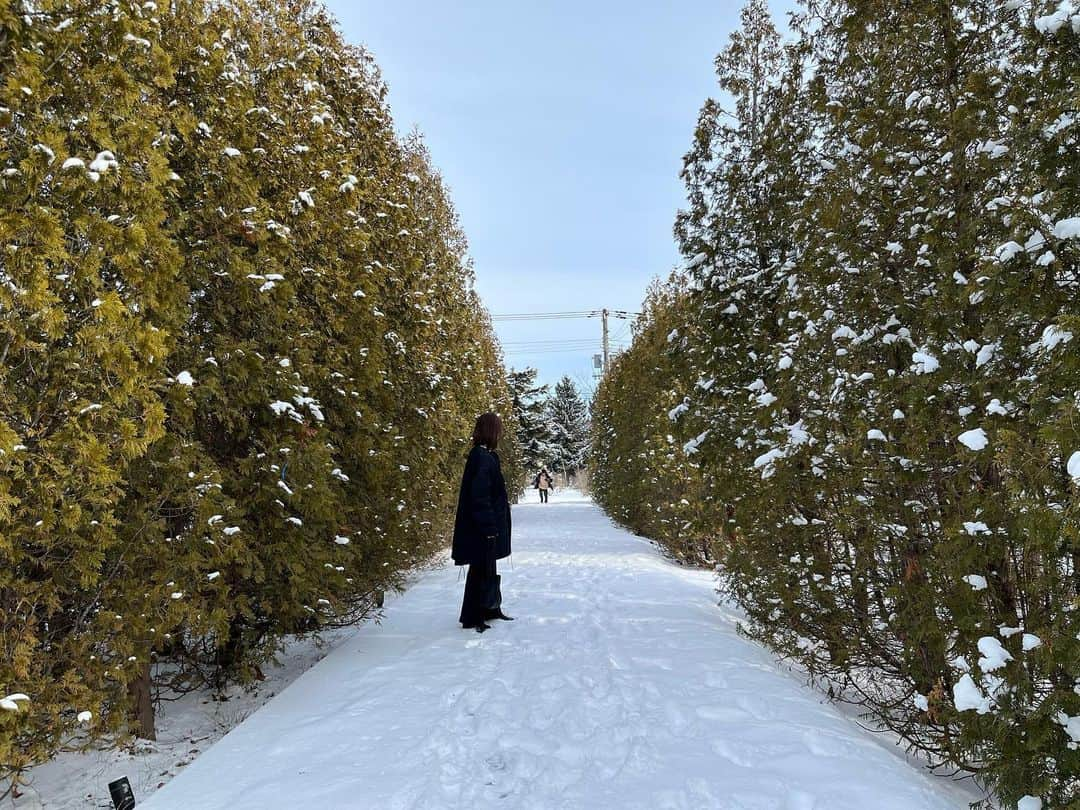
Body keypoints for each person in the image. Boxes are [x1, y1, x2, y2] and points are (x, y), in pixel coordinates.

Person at [452, 413, 514, 632]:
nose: (501, 432)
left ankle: (490, 608)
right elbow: (479, 496)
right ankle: (472, 616)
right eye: (498, 428)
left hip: (487, 525)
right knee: (479, 568)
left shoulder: (487, 456)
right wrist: (488, 527)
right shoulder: (480, 457)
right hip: (480, 527)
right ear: (491, 430)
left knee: (488, 566)